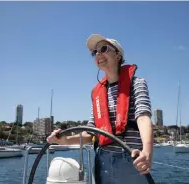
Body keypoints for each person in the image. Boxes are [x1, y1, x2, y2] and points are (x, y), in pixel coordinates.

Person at [47, 34, 154, 184]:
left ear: (118, 55)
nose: (98, 54)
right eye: (94, 52)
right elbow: (91, 133)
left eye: (103, 49)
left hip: (130, 161)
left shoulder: (137, 83)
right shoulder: (97, 93)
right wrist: (64, 139)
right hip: (102, 161)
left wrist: (147, 153)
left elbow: (143, 117)